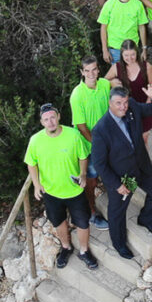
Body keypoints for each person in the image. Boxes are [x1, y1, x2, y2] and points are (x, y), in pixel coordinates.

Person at [90, 86, 152, 259]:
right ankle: (119, 244)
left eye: (125, 102)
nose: (123, 107)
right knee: (117, 212)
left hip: (142, 166)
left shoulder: (132, 106)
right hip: (124, 178)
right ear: (110, 103)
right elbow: (100, 164)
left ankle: (145, 220)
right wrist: (117, 185)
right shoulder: (101, 130)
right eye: (118, 103)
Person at [24, 103, 98, 270]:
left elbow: (83, 156)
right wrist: (36, 185)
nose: (50, 122)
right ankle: (66, 247)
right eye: (46, 119)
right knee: (59, 222)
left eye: (52, 117)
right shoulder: (35, 140)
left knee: (83, 222)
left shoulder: (73, 135)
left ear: (58, 117)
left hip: (75, 190)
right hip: (51, 192)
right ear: (41, 122)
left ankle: (84, 251)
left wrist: (83, 174)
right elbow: (31, 164)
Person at [69, 57, 113, 230]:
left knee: (114, 169)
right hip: (89, 146)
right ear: (82, 72)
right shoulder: (77, 95)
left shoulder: (104, 85)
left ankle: (118, 197)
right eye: (87, 70)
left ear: (98, 70)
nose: (91, 73)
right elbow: (81, 126)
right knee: (91, 181)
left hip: (108, 139)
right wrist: (97, 144)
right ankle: (93, 214)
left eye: (94, 69)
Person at [103, 39, 152, 143]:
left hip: (143, 106)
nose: (130, 58)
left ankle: (143, 158)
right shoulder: (116, 67)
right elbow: (103, 81)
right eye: (126, 55)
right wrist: (111, 83)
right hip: (125, 108)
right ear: (121, 55)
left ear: (137, 52)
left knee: (143, 137)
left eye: (133, 54)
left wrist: (148, 102)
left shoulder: (146, 67)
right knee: (128, 137)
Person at [98, 0, 148, 66]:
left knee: (133, 75)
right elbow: (103, 28)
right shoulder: (109, 4)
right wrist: (104, 50)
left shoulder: (138, 5)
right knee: (118, 76)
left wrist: (144, 49)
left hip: (133, 48)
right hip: (115, 49)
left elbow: (141, 27)